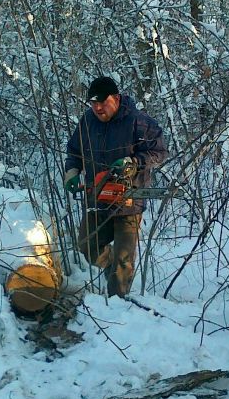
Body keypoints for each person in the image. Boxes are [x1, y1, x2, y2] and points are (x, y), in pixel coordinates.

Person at [63, 76, 168, 297]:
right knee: (87, 247)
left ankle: (116, 310)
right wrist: (72, 172)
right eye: (93, 103)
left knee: (124, 261)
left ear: (116, 98)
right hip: (97, 199)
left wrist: (134, 163)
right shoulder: (87, 122)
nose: (98, 107)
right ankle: (111, 268)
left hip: (128, 201)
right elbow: (74, 150)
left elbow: (159, 153)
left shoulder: (138, 122)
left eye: (102, 101)